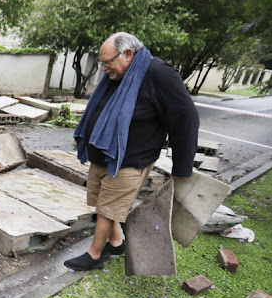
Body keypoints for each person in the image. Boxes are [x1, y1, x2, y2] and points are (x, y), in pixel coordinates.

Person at [64, 32, 199, 271]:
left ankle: (94, 255)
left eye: (108, 62)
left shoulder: (159, 74)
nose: (104, 68)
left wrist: (182, 165)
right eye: (102, 63)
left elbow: (185, 118)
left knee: (108, 208)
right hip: (104, 154)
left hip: (130, 158)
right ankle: (116, 242)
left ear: (128, 54)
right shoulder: (119, 73)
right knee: (101, 202)